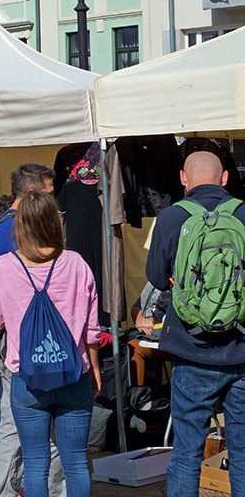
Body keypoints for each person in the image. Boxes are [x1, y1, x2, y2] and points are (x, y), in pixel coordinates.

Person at [144, 151, 245, 497]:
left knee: (186, 453)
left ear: (184, 179)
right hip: (242, 350)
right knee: (244, 454)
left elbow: (156, 278)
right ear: (225, 178)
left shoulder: (171, 217)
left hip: (192, 350)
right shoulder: (244, 214)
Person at [0, 191, 100, 497]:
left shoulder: (5, 267)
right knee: (76, 462)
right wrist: (96, 369)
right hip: (75, 373)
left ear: (20, 225)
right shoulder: (77, 264)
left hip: (27, 377)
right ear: (56, 222)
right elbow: (91, 329)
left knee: (36, 463)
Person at [0, 163, 65, 497]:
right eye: (49, 194)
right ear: (32, 194)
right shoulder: (12, 233)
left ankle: (11, 489)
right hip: (25, 344)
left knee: (14, 425)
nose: (54, 202)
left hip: (11, 340)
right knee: (21, 427)